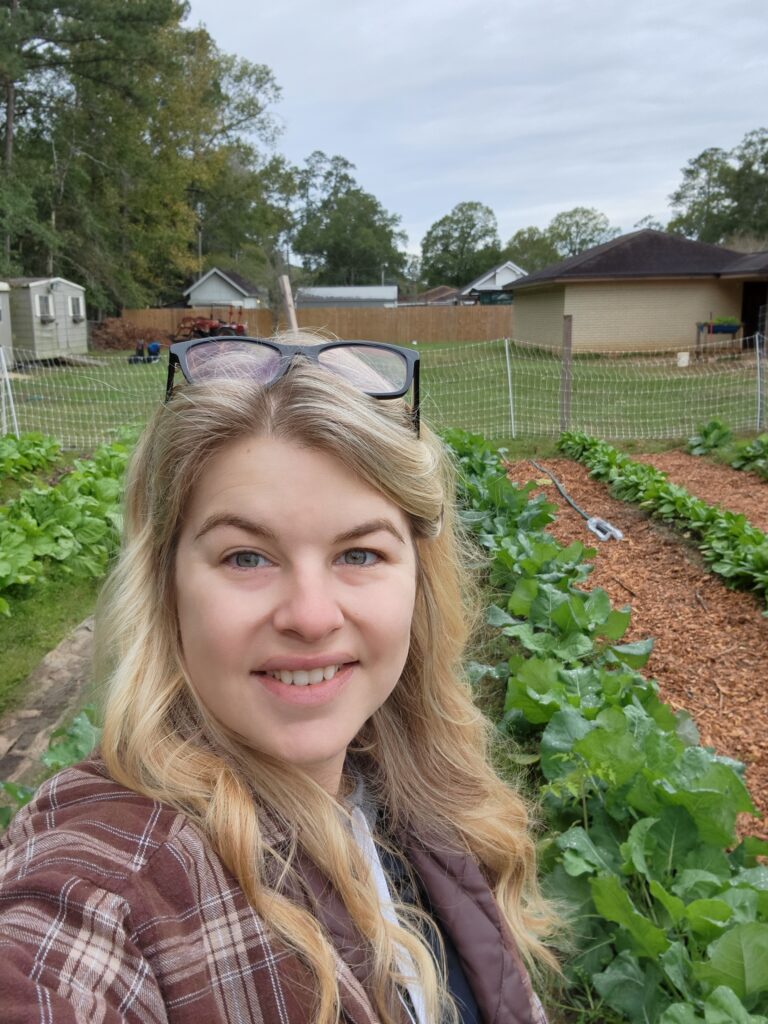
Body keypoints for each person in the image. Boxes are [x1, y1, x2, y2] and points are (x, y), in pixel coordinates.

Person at [0, 332, 557, 1023]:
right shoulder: (117, 881)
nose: (311, 616)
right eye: (246, 558)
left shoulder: (410, 791)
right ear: (166, 585)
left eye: (359, 552)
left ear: (420, 579)